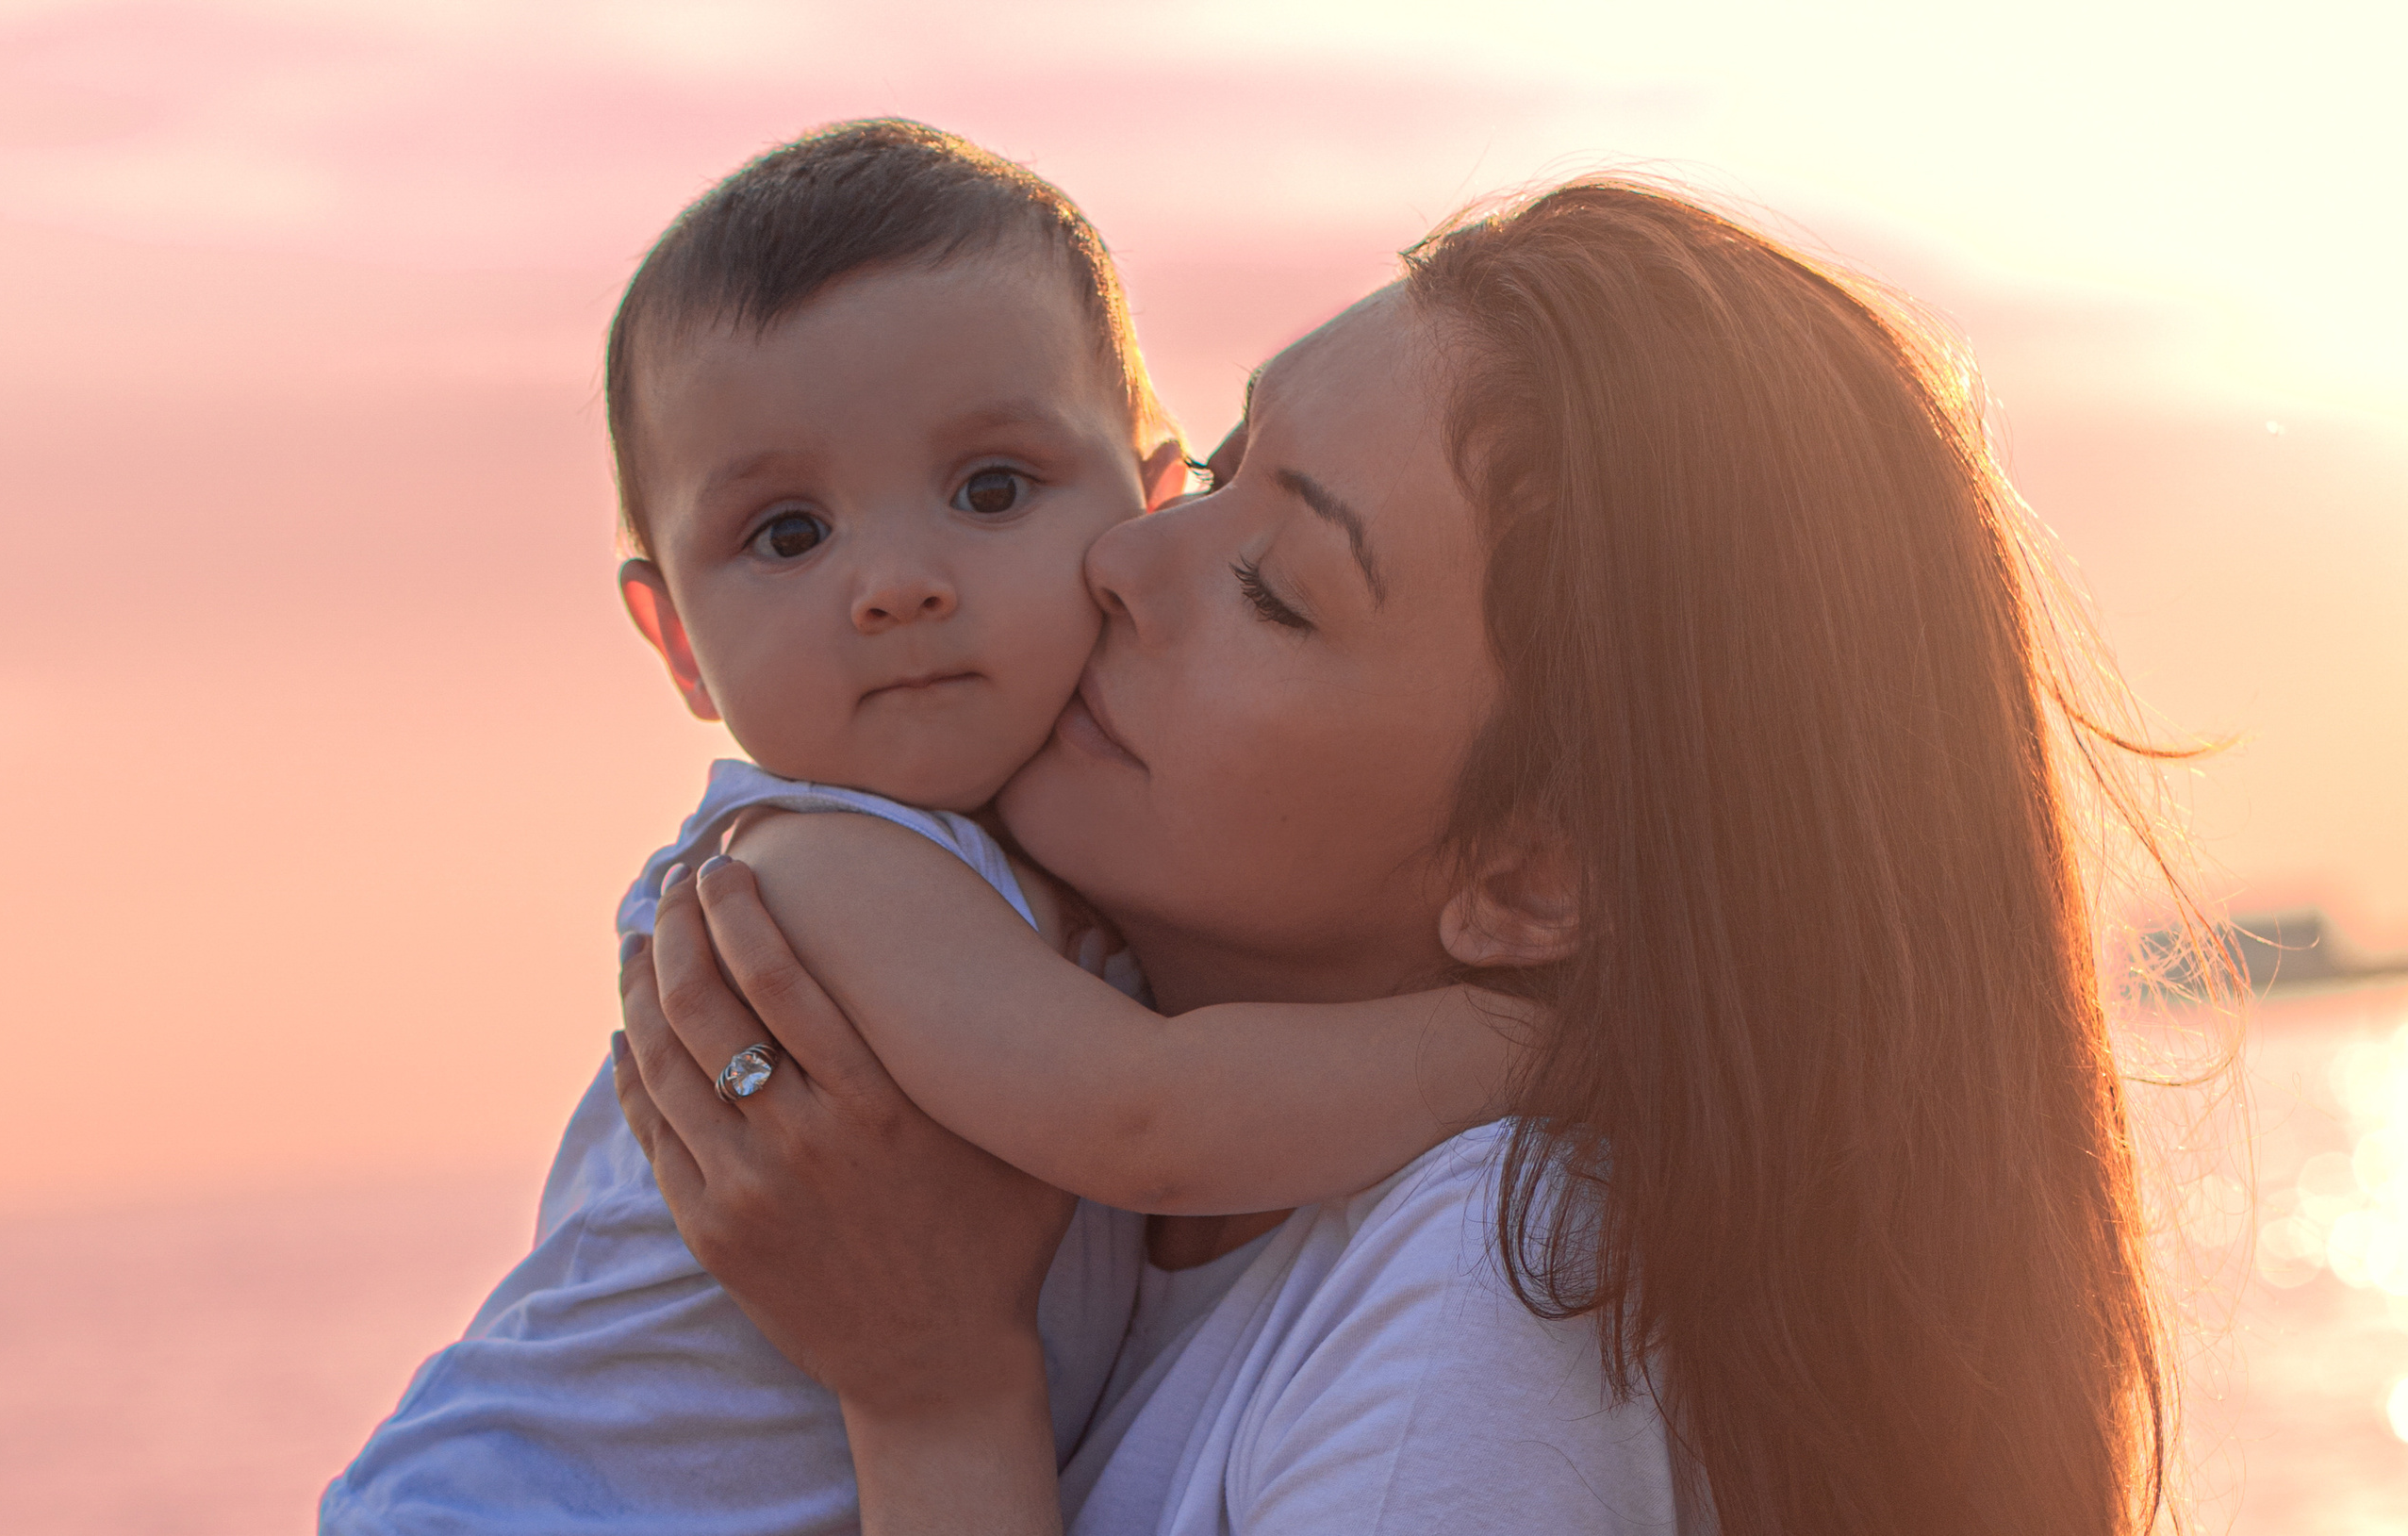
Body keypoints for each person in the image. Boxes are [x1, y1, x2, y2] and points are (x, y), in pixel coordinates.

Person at [617, 176, 2196, 1535]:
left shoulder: (1487, 1294)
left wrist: (935, 1397)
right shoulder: (1061, 1143)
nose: (1123, 557)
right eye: (1220, 470)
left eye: (1280, 588)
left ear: (1534, 877)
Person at [322, 121, 1518, 1536]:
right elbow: (1148, 1115)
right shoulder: (817, 868)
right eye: (784, 534)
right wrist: (1546, 1040)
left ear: (1138, 500)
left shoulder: (1469, 1288)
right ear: (678, 643)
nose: (893, 581)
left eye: (991, 489)